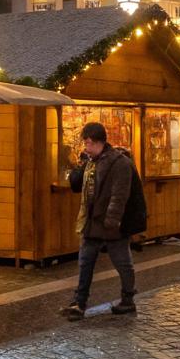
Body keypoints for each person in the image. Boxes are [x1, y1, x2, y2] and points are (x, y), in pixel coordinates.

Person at [61, 122, 140, 319]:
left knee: (122, 262)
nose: (86, 147)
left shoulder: (119, 163)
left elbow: (119, 195)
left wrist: (112, 222)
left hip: (112, 224)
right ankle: (79, 303)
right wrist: (81, 165)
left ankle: (128, 299)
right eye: (85, 143)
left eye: (88, 143)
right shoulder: (90, 161)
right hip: (92, 222)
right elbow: (76, 185)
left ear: (99, 142)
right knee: (85, 262)